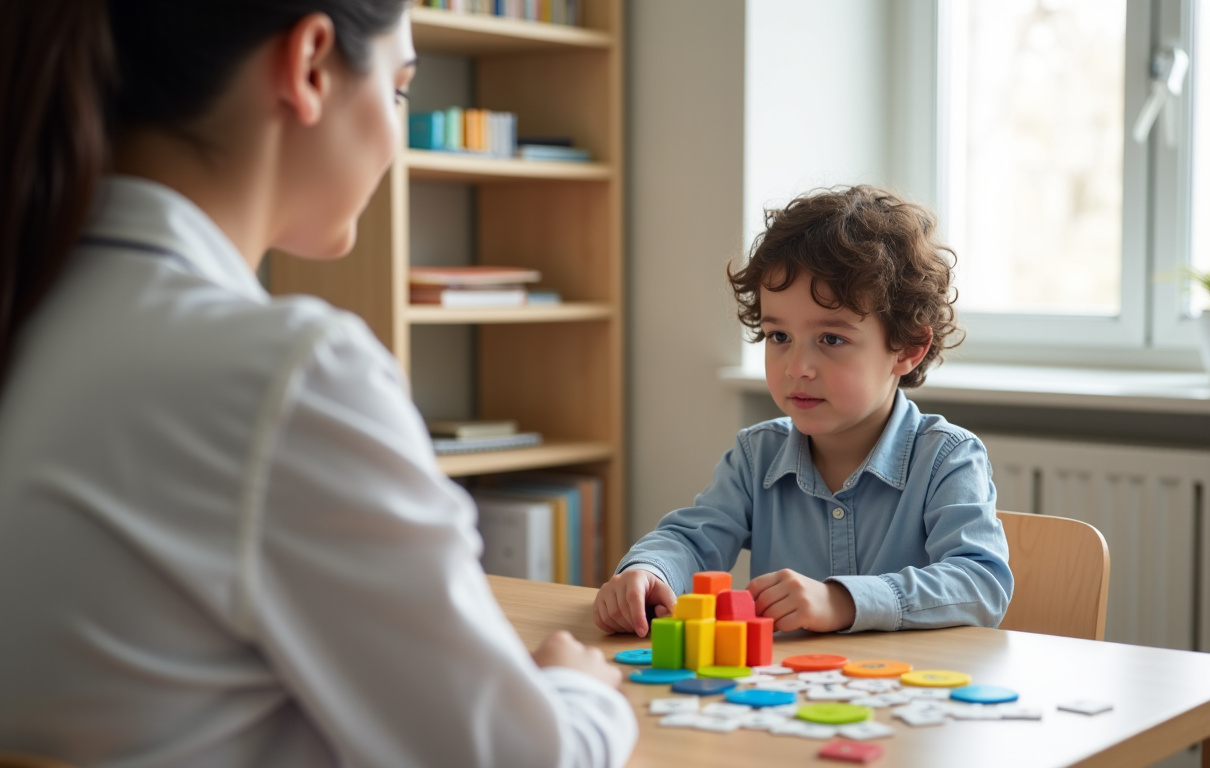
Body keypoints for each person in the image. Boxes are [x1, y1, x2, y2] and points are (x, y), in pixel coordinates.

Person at [0, 2, 635, 766]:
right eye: (398, 90)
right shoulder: (286, 376)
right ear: (309, 66)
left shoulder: (41, 312)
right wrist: (581, 692)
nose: (394, 137)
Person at [593, 185, 1013, 638]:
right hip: (786, 698)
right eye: (779, 337)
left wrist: (842, 601)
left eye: (831, 339)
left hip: (903, 692)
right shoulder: (757, 455)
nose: (797, 368)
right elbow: (690, 540)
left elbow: (981, 583)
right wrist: (648, 571)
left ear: (908, 348)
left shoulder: (947, 458)